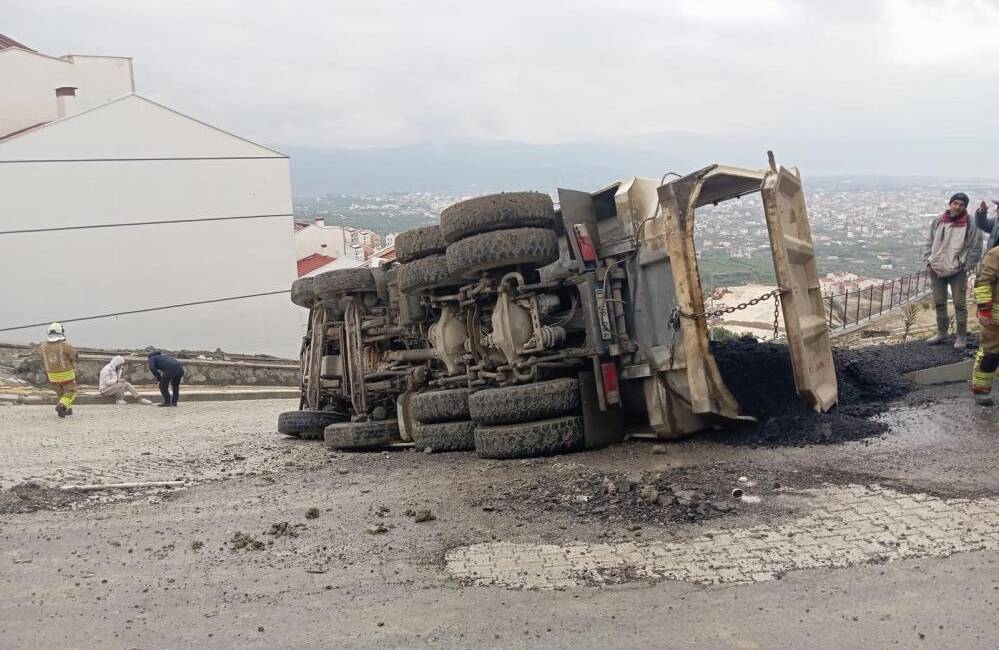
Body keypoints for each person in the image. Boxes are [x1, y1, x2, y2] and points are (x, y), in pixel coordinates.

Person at [924, 192, 982, 349]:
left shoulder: (970, 223)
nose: (957, 207)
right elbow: (929, 241)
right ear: (950, 204)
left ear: (965, 207)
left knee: (959, 304)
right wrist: (928, 262)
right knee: (940, 302)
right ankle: (942, 333)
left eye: (961, 204)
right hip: (937, 267)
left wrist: (966, 266)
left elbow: (976, 247)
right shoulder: (939, 221)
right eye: (955, 203)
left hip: (957, 270)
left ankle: (961, 336)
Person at [972, 245, 999, 405]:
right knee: (991, 355)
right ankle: (981, 390)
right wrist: (984, 311)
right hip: (995, 320)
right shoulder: (995, 255)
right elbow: (983, 283)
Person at [39, 322, 78, 418]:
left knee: (61, 393)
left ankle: (67, 410)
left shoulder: (42, 347)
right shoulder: (65, 346)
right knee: (70, 392)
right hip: (66, 375)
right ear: (61, 332)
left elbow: (42, 358)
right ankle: (62, 406)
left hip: (52, 376)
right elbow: (74, 356)